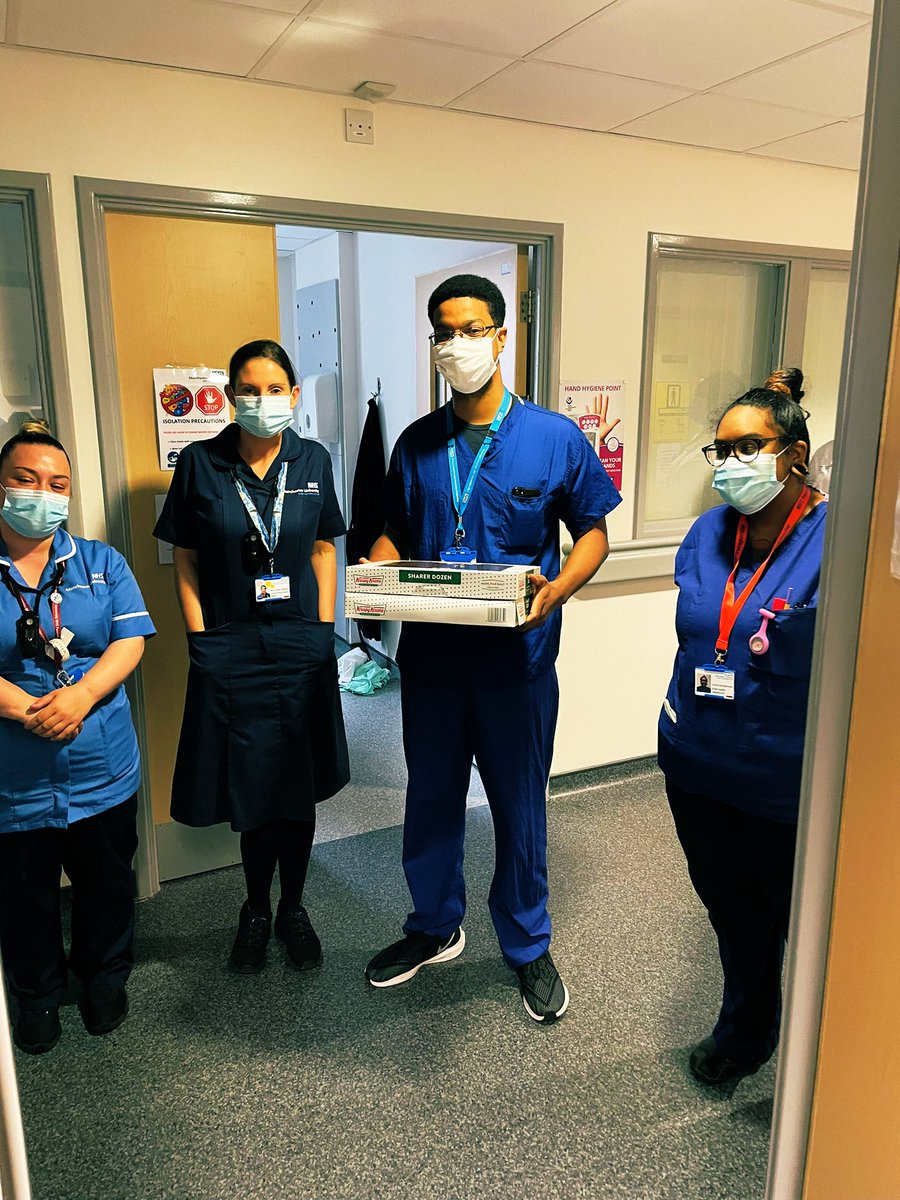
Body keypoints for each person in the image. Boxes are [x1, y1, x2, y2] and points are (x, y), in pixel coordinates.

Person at [363, 275, 621, 1023]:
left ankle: (527, 942)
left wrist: (559, 591)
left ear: (502, 337)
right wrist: (372, 575)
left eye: (472, 329)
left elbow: (593, 532)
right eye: (444, 332)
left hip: (517, 668)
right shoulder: (416, 443)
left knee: (518, 806)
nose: (457, 345)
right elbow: (394, 535)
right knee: (432, 799)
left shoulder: (554, 437)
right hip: (436, 667)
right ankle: (435, 926)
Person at [154, 340, 349, 975]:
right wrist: (199, 637)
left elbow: (323, 550)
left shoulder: (313, 459)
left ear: (293, 395)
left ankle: (293, 907)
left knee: (296, 787)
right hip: (230, 643)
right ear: (230, 395)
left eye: (274, 389)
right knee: (251, 783)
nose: (261, 401)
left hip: (300, 642)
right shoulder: (201, 464)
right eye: (248, 389)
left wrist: (326, 629)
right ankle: (255, 909)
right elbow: (183, 555)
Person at [658, 368, 827, 1085]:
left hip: (784, 781)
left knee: (803, 924)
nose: (729, 464)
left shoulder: (835, 544)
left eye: (746, 447)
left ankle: (827, 1061)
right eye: (719, 451)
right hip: (696, 764)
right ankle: (747, 1030)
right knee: (732, 912)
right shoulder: (706, 532)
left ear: (793, 453)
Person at [0, 421, 155, 1054]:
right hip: (16, 773)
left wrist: (83, 695)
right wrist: (25, 708)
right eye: (25, 480)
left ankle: (103, 976)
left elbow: (131, 638)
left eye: (57, 483)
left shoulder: (100, 561)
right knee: (24, 892)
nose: (43, 493)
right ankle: (37, 992)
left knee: (107, 883)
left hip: (102, 765)